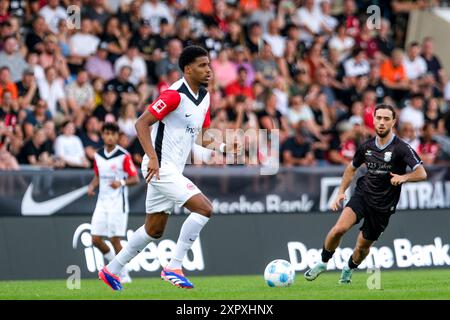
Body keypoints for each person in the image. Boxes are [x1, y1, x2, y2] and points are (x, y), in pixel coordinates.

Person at [98, 46, 240, 291]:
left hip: (171, 169)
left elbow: (202, 136)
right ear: (187, 69)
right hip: (159, 166)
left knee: (154, 230)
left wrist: (225, 147)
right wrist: (152, 157)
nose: (208, 70)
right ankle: (174, 266)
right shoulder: (173, 95)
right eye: (202, 65)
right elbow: (141, 123)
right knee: (205, 208)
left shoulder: (204, 97)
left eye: (209, 65)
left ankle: (112, 270)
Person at [304, 104, 427, 284]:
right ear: (374, 120)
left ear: (393, 122)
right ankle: (322, 263)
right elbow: (350, 169)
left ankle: (349, 268)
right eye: (379, 118)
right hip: (363, 195)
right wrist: (340, 193)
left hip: (383, 206)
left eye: (386, 119)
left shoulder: (401, 148)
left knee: (361, 248)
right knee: (339, 229)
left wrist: (404, 177)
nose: (382, 122)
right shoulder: (366, 146)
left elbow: (422, 173)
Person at [87, 122, 139, 284]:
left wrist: (121, 183)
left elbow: (135, 178)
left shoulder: (123, 155)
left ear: (117, 136)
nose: (109, 136)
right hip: (102, 203)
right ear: (102, 135)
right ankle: (116, 266)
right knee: (95, 239)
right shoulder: (98, 155)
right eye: (106, 133)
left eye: (112, 134)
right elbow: (98, 175)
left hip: (118, 203)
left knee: (114, 239)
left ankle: (123, 273)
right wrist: (92, 186)